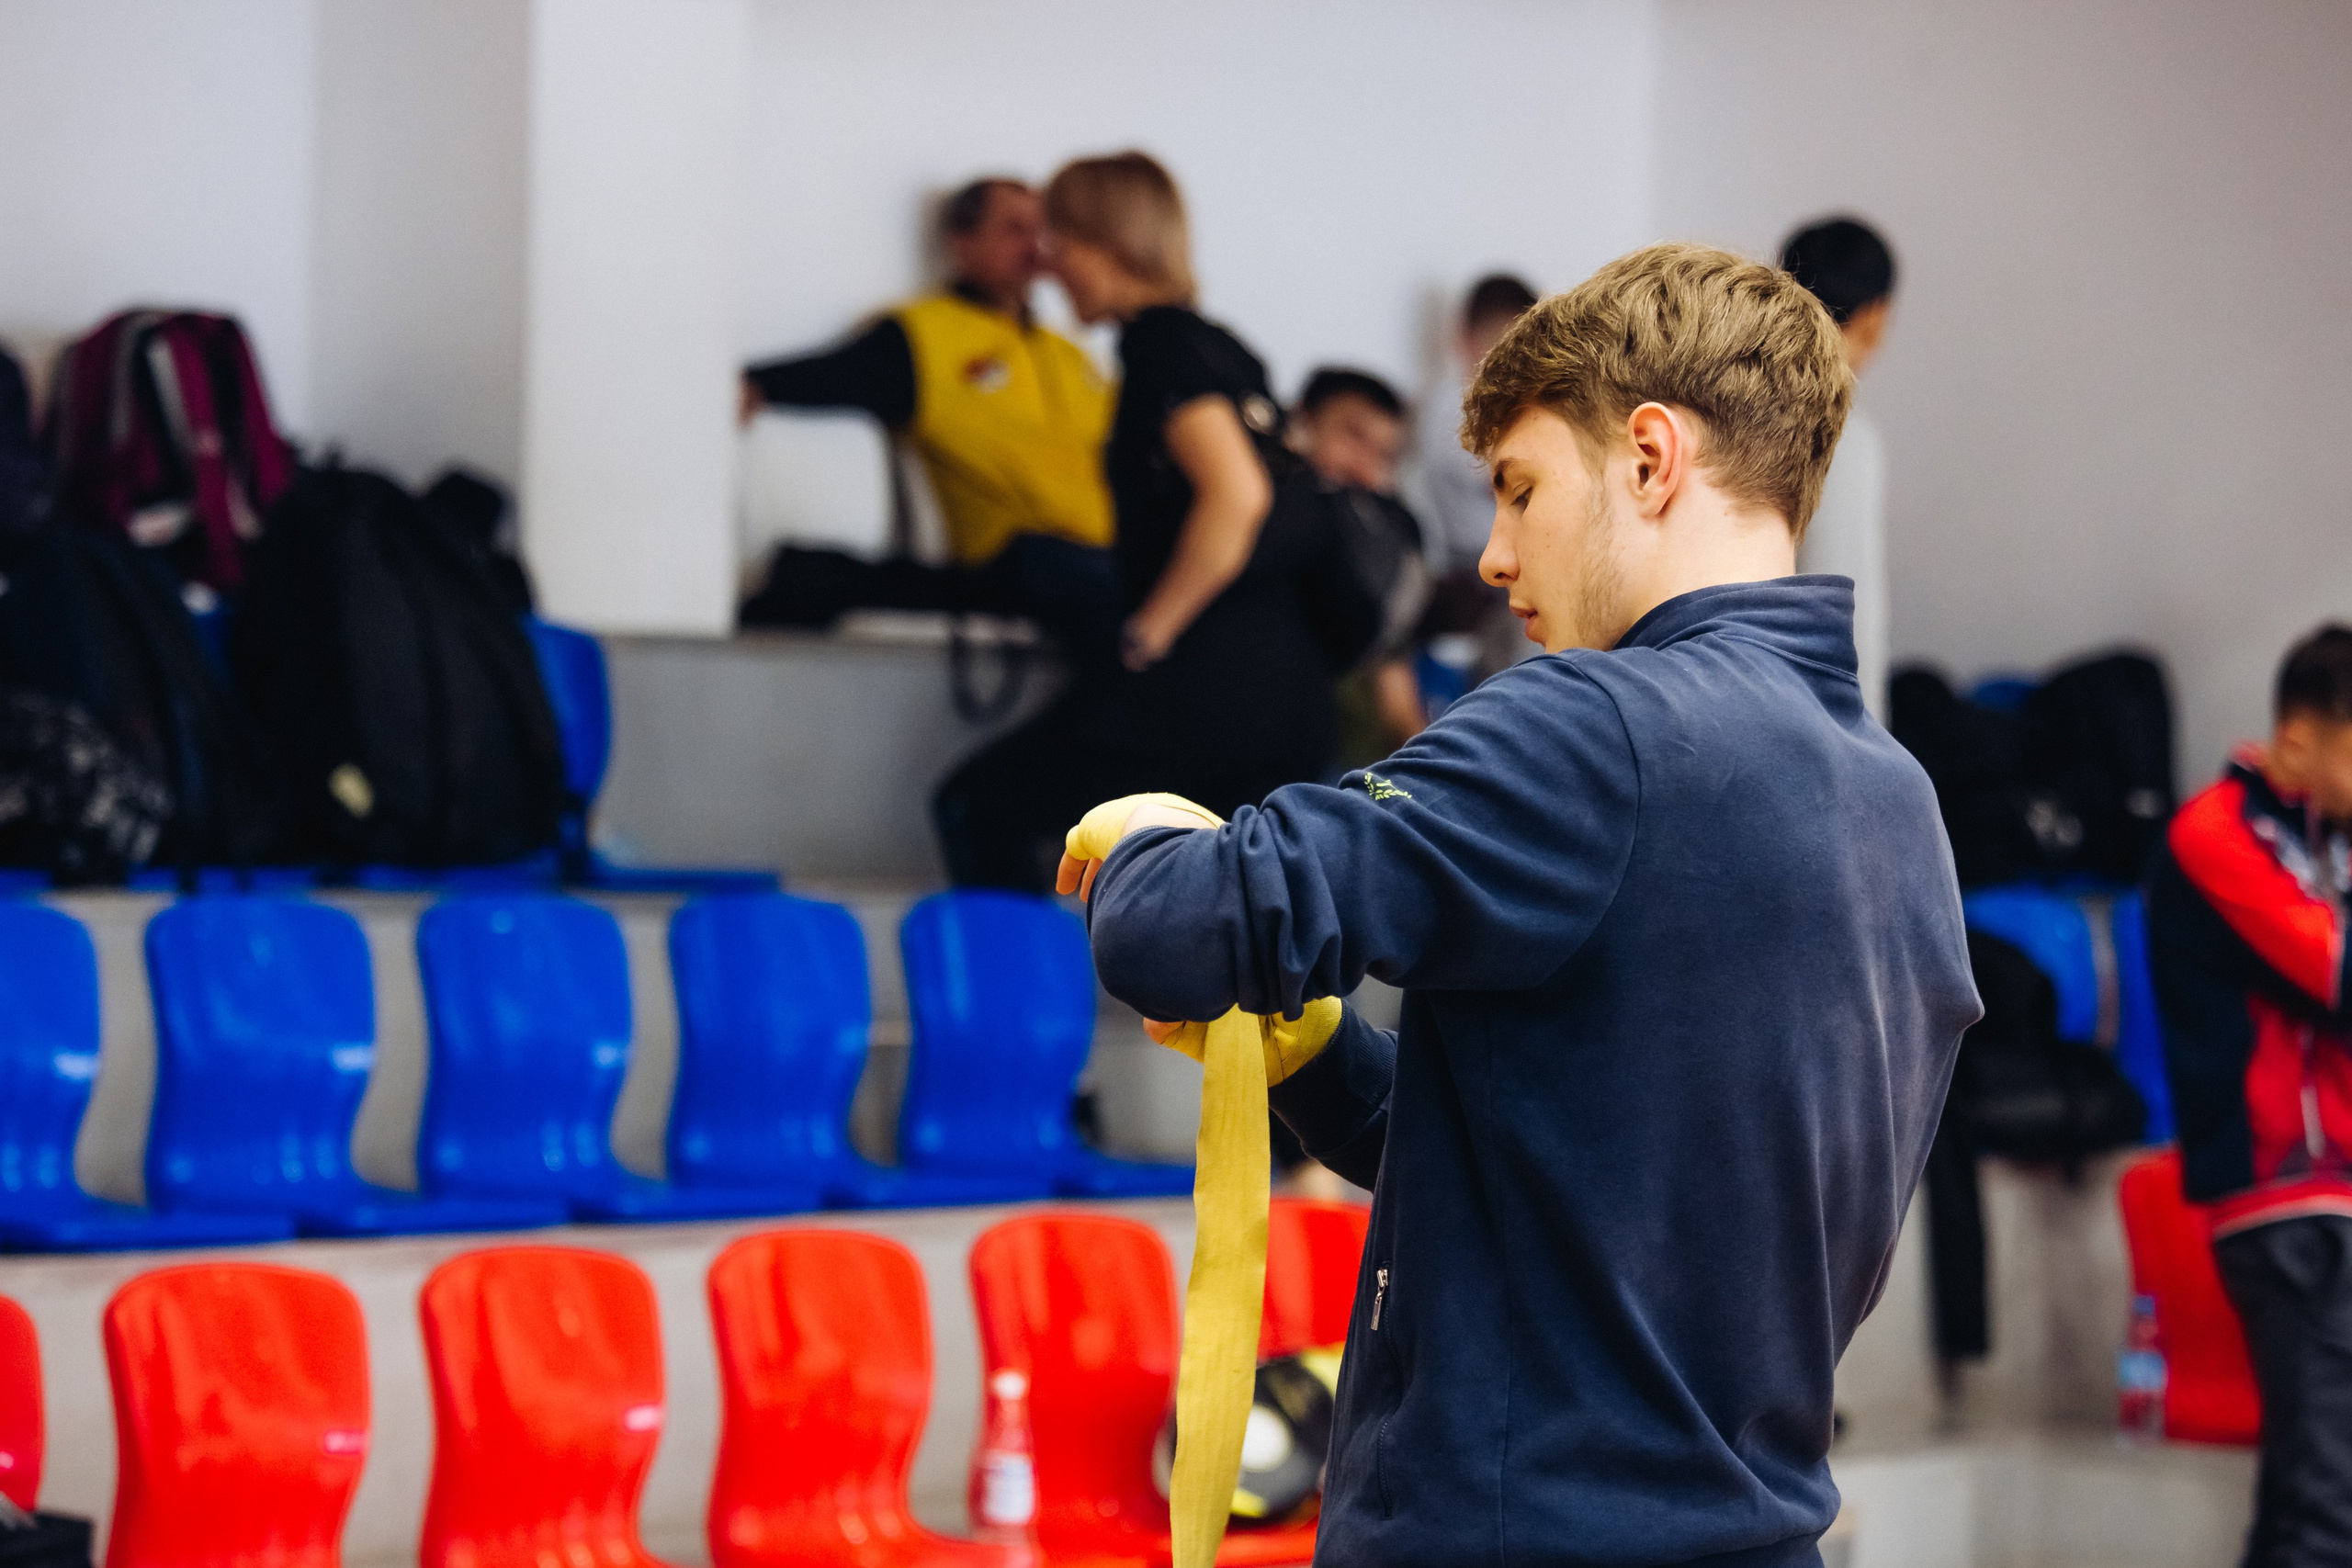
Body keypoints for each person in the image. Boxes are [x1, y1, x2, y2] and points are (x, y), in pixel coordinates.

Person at [1058, 243, 1979, 1566]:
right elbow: (1576, 1176)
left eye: (1520, 487)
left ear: (1651, 458)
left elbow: (1179, 925)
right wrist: (1318, 1057)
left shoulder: (1595, 722)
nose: (1491, 555)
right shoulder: (1893, 799)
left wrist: (1141, 836)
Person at [930, 152, 1351, 891]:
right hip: (1288, 697)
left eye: (1058, 243)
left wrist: (1149, 631)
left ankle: (1024, 1004)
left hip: (1209, 691)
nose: (1050, 268)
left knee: (978, 806)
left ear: (1101, 243)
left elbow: (1237, 494)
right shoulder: (1221, 346)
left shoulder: (1158, 348)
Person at [2146, 624, 2352, 1568]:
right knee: (2327, 1510)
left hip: (2333, 1195)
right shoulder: (2213, 835)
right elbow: (2336, 975)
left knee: (2300, 1503)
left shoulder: (2333, 845)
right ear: (2300, 740)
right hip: (2279, 1199)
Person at [739, 176, 1118, 661]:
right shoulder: (923, 338)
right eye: (1013, 230)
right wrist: (750, 387)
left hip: (1107, 561)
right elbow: (827, 375)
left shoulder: (1076, 356)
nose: (1034, 248)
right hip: (1020, 561)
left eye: (1041, 232)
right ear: (960, 242)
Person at [1781, 217, 1895, 721]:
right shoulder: (1841, 435)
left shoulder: (1739, 413)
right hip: (1822, 719)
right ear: (1873, 320)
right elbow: (1844, 609)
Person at [1289, 367, 1431, 763]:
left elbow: (1393, 666)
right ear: (1301, 420)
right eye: (1353, 435)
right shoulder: (1251, 511)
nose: (1364, 468)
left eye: (1384, 456)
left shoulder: (1390, 535)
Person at [1407, 273, 1541, 685]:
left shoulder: (1512, 413)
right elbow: (1517, 481)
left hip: (1507, 571)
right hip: (1474, 574)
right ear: (1462, 338)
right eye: (1495, 345)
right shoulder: (1450, 408)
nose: (1509, 364)